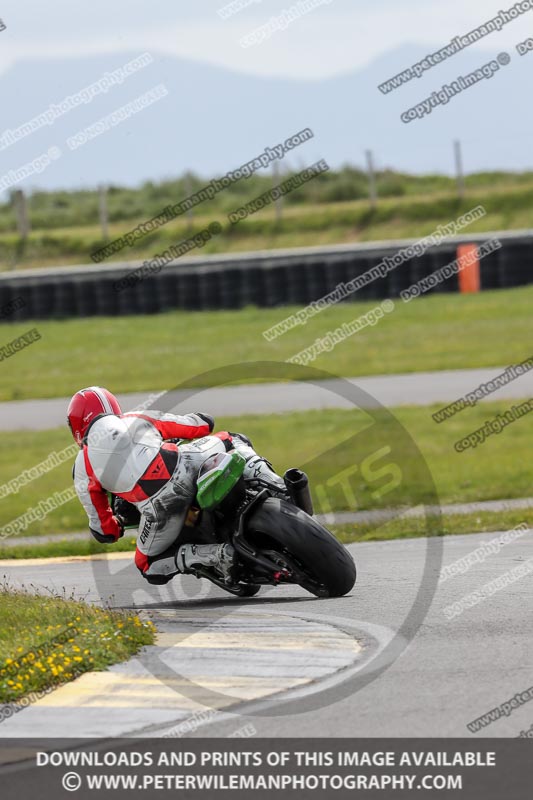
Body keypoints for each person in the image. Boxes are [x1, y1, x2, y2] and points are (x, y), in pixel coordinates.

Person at [68, 386, 287, 585]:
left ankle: (218, 554)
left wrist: (117, 525)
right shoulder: (136, 418)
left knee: (147, 565)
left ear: (77, 426)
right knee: (232, 439)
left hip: (159, 507)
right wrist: (200, 419)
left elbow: (103, 531)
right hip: (188, 463)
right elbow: (201, 426)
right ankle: (277, 485)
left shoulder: (82, 467)